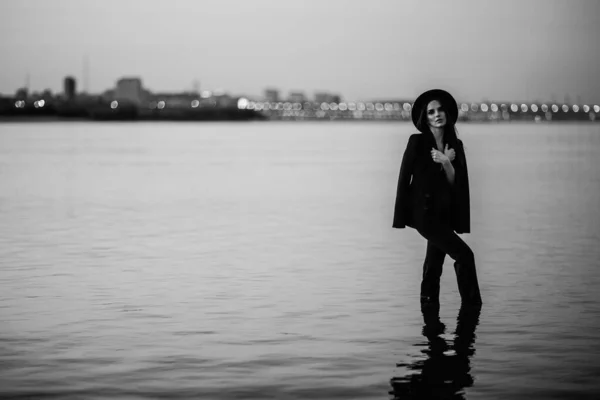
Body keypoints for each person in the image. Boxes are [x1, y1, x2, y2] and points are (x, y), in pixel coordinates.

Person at [393, 89, 482, 307]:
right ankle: (472, 307)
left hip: (444, 214)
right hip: (423, 214)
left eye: (440, 110)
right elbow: (405, 179)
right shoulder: (416, 142)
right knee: (464, 255)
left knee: (433, 266)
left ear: (447, 113)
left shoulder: (455, 146)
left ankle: (429, 309)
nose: (436, 115)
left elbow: (457, 184)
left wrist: (446, 162)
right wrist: (400, 217)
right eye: (431, 112)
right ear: (426, 117)